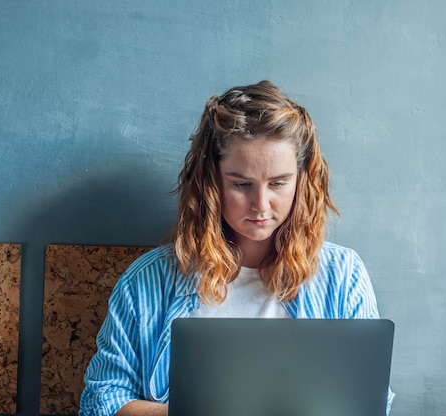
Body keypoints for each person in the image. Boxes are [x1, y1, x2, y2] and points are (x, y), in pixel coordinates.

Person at [79, 80, 394, 416]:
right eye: (241, 184)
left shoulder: (342, 275)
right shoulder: (148, 281)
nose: (261, 205)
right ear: (211, 180)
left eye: (278, 183)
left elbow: (372, 402)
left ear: (302, 180)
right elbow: (101, 403)